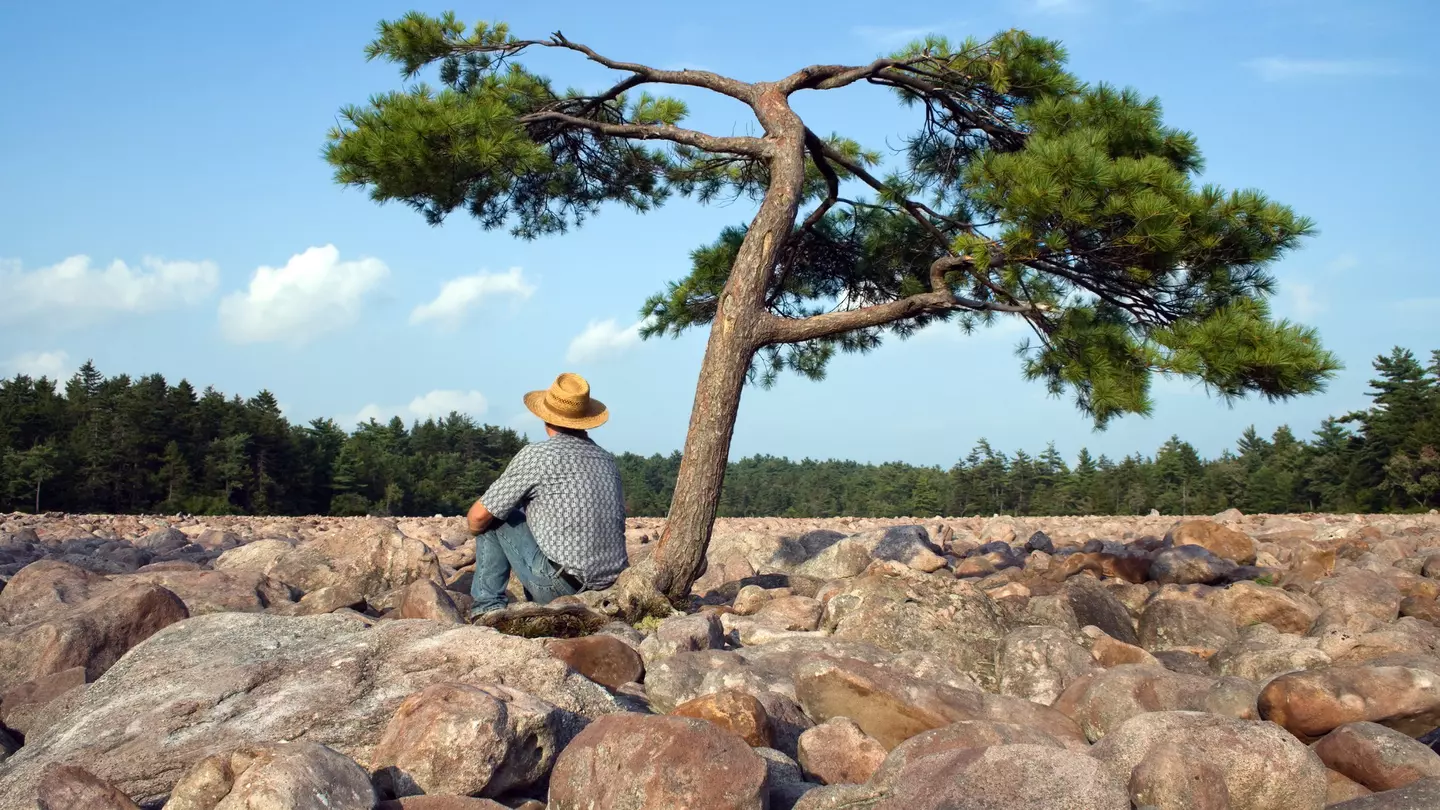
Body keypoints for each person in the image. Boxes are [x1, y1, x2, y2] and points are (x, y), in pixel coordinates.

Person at [465, 372, 627, 618]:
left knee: (494, 515)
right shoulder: (607, 459)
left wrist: (480, 529)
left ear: (545, 418)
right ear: (585, 421)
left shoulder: (539, 455)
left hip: (561, 588)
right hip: (609, 589)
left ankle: (487, 610)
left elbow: (477, 518)